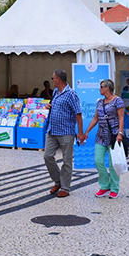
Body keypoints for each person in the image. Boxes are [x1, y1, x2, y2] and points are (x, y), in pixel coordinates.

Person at [43, 69, 85, 198]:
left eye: (53, 78)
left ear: (59, 79)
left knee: (67, 161)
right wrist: (49, 107)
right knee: (47, 156)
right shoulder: (56, 92)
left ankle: (65, 188)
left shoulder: (71, 94)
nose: (52, 80)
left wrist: (80, 132)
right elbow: (55, 105)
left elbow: (78, 113)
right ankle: (58, 181)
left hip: (66, 131)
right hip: (52, 130)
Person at [84, 79, 125, 199]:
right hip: (101, 135)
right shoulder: (100, 102)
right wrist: (87, 131)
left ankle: (114, 188)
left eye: (102, 86)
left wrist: (120, 133)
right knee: (98, 161)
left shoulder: (118, 101)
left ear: (108, 88)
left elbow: (121, 118)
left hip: (113, 135)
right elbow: (95, 118)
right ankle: (104, 185)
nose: (100, 89)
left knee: (113, 164)